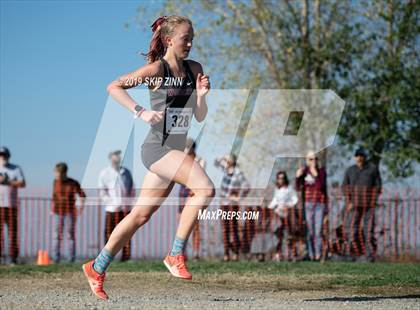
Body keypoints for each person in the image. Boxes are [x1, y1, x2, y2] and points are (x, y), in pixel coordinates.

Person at [83, 15, 214, 300]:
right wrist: (140, 111)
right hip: (158, 149)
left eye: (192, 38)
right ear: (169, 40)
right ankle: (175, 254)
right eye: (185, 39)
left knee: (140, 215)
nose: (190, 43)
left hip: (175, 150)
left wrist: (202, 95)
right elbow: (114, 86)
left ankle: (97, 266)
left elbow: (199, 116)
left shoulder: (195, 69)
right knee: (205, 188)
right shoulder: (157, 69)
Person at [342, 148, 381, 261]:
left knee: (368, 231)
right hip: (354, 205)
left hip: (369, 205)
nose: (359, 158)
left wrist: (373, 200)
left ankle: (369, 256)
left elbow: (378, 186)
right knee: (352, 230)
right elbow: (345, 187)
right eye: (357, 156)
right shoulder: (350, 170)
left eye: (362, 156)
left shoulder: (372, 169)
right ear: (355, 157)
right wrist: (348, 202)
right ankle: (351, 254)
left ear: (365, 157)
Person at [98, 150, 134, 262]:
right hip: (111, 209)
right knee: (109, 233)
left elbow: (131, 189)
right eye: (115, 155)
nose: (117, 157)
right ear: (110, 157)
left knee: (126, 233)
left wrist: (129, 203)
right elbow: (102, 191)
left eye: (119, 155)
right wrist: (110, 201)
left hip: (125, 209)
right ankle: (107, 258)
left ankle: (126, 258)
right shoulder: (104, 173)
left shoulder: (126, 172)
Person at [214, 154, 250, 262]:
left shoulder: (238, 173)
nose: (226, 161)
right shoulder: (225, 171)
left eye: (228, 159)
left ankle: (235, 253)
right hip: (223, 204)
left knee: (233, 228)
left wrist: (239, 197)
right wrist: (222, 157)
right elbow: (215, 162)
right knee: (225, 229)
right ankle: (226, 254)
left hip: (232, 205)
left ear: (232, 161)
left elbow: (247, 186)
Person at [296, 151, 328, 261]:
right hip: (308, 204)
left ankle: (318, 254)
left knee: (318, 230)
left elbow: (321, 186)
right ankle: (311, 254)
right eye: (310, 159)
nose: (313, 161)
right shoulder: (304, 172)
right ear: (307, 161)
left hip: (320, 203)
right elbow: (298, 187)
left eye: (315, 159)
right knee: (310, 230)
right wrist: (297, 177)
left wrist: (315, 173)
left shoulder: (322, 171)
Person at [52, 162, 86, 263]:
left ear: (64, 173)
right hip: (57, 212)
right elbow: (54, 196)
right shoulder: (55, 182)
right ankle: (55, 258)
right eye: (56, 173)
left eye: (59, 173)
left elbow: (82, 195)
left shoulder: (73, 183)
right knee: (56, 235)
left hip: (69, 213)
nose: (57, 175)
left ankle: (71, 258)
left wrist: (80, 208)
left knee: (70, 235)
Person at [178, 138, 206, 260]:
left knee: (195, 228)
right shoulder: (182, 162)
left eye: (187, 147)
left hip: (195, 196)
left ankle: (195, 253)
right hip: (183, 196)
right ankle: (180, 253)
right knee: (181, 226)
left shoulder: (200, 161)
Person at [0, 147, 25, 264]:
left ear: (8, 156)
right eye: (0, 155)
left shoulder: (15, 169)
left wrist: (7, 182)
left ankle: (13, 258)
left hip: (11, 206)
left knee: (12, 233)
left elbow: (22, 183)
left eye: (4, 155)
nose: (2, 157)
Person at [268, 171, 298, 261]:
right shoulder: (277, 190)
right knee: (278, 235)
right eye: (279, 178)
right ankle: (278, 254)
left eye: (282, 178)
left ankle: (292, 255)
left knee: (289, 235)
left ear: (285, 179)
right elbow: (274, 201)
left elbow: (295, 199)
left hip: (288, 215)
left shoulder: (289, 189)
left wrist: (288, 205)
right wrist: (269, 207)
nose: (281, 180)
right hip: (278, 214)